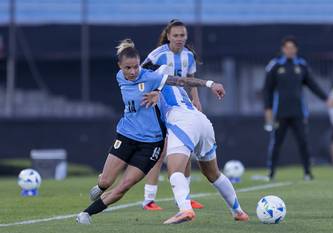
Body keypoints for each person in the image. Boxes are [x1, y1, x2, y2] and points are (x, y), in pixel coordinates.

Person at [76, 39, 226, 224]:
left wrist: (209, 84)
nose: (132, 72)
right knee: (106, 182)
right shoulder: (119, 77)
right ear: (119, 67)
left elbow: (181, 80)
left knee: (124, 186)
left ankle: (85, 214)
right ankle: (101, 185)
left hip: (151, 144)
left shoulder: (150, 77)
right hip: (126, 135)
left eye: (136, 67)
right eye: (128, 68)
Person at [143, 50, 249, 225]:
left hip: (182, 122)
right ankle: (238, 212)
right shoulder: (168, 77)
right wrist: (209, 84)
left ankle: (185, 209)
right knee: (213, 173)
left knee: (175, 170)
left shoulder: (151, 78)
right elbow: (184, 80)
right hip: (202, 121)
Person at [140, 19, 204, 211]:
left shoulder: (189, 57)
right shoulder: (157, 55)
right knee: (159, 152)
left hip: (180, 108)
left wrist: (196, 100)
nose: (179, 39)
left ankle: (184, 198)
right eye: (175, 35)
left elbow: (190, 80)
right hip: (159, 107)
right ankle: (148, 199)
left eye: (182, 35)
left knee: (185, 149)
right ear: (168, 36)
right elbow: (140, 75)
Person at [263, 36, 328, 181]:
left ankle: (307, 173)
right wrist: (267, 110)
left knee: (303, 142)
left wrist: (326, 98)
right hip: (280, 113)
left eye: (292, 48)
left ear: (296, 49)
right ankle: (271, 173)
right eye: (287, 48)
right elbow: (267, 90)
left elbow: (313, 85)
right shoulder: (275, 66)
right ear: (283, 49)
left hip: (298, 112)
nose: (290, 50)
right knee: (276, 143)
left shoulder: (302, 65)